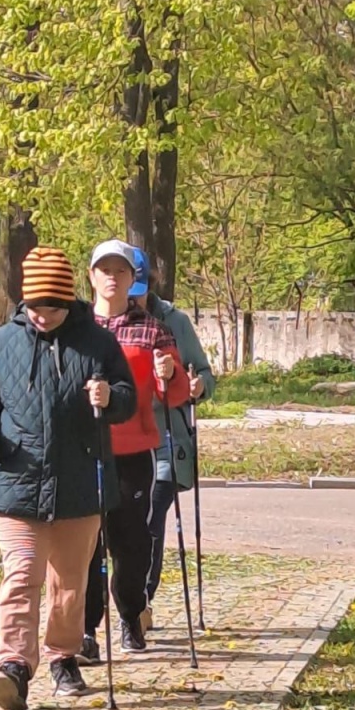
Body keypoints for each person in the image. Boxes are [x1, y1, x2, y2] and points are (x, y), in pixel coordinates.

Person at [0, 245, 136, 710]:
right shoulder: (1, 342)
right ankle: (13, 666)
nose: (42, 315)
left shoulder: (97, 342)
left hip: (80, 482)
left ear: (67, 301)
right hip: (15, 480)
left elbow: (128, 398)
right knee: (21, 575)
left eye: (52, 307)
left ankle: (63, 657)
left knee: (69, 583)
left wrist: (109, 395)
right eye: (35, 306)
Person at [79, 239, 190, 661]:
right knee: (85, 544)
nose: (112, 277)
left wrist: (171, 371)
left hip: (133, 451)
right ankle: (86, 629)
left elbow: (175, 394)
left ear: (132, 279)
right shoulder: (77, 330)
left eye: (120, 271)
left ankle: (129, 613)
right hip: (85, 452)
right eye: (104, 269)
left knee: (131, 543)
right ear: (91, 276)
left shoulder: (151, 328)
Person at [128, 248, 215, 626]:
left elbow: (205, 374)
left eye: (139, 290)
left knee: (150, 518)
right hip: (120, 437)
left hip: (165, 437)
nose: (133, 300)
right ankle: (125, 599)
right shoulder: (97, 323)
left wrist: (196, 385)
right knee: (121, 525)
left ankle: (141, 602)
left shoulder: (174, 322)